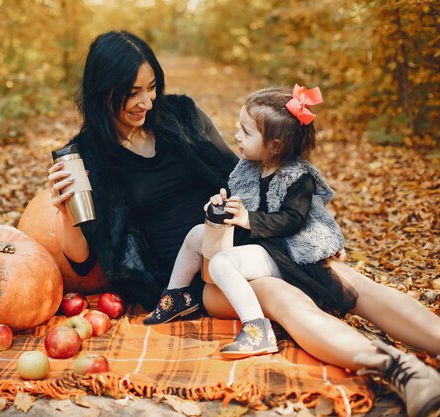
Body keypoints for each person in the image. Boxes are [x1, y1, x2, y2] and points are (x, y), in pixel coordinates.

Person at [47, 30, 440, 417]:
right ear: (104, 91)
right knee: (277, 294)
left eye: (151, 87)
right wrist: (67, 212)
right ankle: (402, 372)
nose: (147, 101)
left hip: (243, 238)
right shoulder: (87, 157)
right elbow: (83, 261)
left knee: (342, 276)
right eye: (132, 92)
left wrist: (304, 234)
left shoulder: (179, 115)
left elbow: (243, 175)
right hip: (191, 278)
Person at [143, 85, 358, 361]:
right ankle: (178, 296)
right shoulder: (250, 168)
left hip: (282, 256)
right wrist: (223, 206)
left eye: (246, 132)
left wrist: (247, 219)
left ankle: (257, 329)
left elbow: (297, 221)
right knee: (197, 234)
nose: (236, 137)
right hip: (257, 245)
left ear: (275, 145)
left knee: (222, 263)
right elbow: (242, 201)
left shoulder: (298, 177)